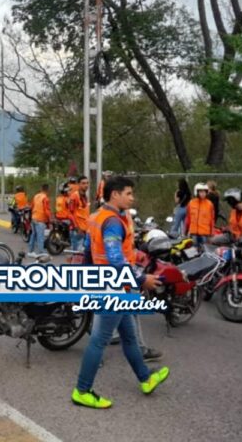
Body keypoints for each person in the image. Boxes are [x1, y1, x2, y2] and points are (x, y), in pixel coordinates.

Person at [71, 175, 170, 409]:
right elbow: (116, 260)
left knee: (128, 336)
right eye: (128, 193)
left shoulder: (96, 217)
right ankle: (82, 390)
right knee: (99, 341)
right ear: (114, 194)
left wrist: (86, 279)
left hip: (112, 285)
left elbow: (87, 252)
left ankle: (145, 379)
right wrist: (142, 278)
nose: (132, 198)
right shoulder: (113, 221)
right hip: (114, 286)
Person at [28, 184, 51, 257]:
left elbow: (32, 206)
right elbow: (46, 210)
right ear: (47, 190)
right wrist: (50, 218)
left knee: (33, 235)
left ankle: (30, 251)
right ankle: (41, 252)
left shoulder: (36, 196)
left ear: (41, 189)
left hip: (34, 218)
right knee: (40, 236)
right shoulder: (45, 198)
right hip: (40, 219)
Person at [68, 176, 90, 252]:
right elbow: (70, 214)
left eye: (87, 183)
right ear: (78, 185)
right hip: (77, 231)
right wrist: (77, 228)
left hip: (84, 230)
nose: (86, 185)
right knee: (77, 258)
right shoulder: (74, 196)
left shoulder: (84, 196)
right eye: (83, 183)